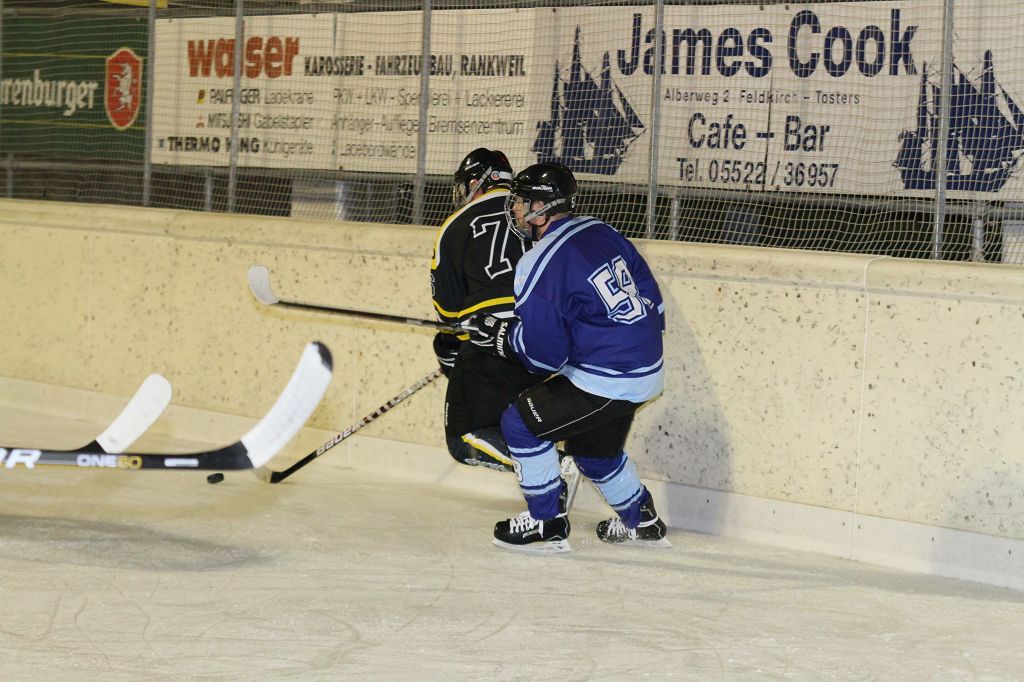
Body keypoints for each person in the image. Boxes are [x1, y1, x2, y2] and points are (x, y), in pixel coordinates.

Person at [463, 162, 670, 553]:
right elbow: (649, 293)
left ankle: (546, 523)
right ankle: (642, 521)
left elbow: (543, 357)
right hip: (644, 366)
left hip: (608, 374)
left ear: (540, 208)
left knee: (520, 424)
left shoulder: (538, 262)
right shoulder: (600, 229)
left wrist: (503, 337)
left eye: (521, 202)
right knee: (595, 452)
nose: (516, 209)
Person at [430, 148, 543, 471]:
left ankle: (554, 469)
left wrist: (448, 350)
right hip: (546, 337)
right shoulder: (537, 211)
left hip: (491, 341)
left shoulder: (455, 224)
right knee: (529, 427)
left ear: (477, 181)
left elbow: (449, 312)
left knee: (465, 438)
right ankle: (551, 493)